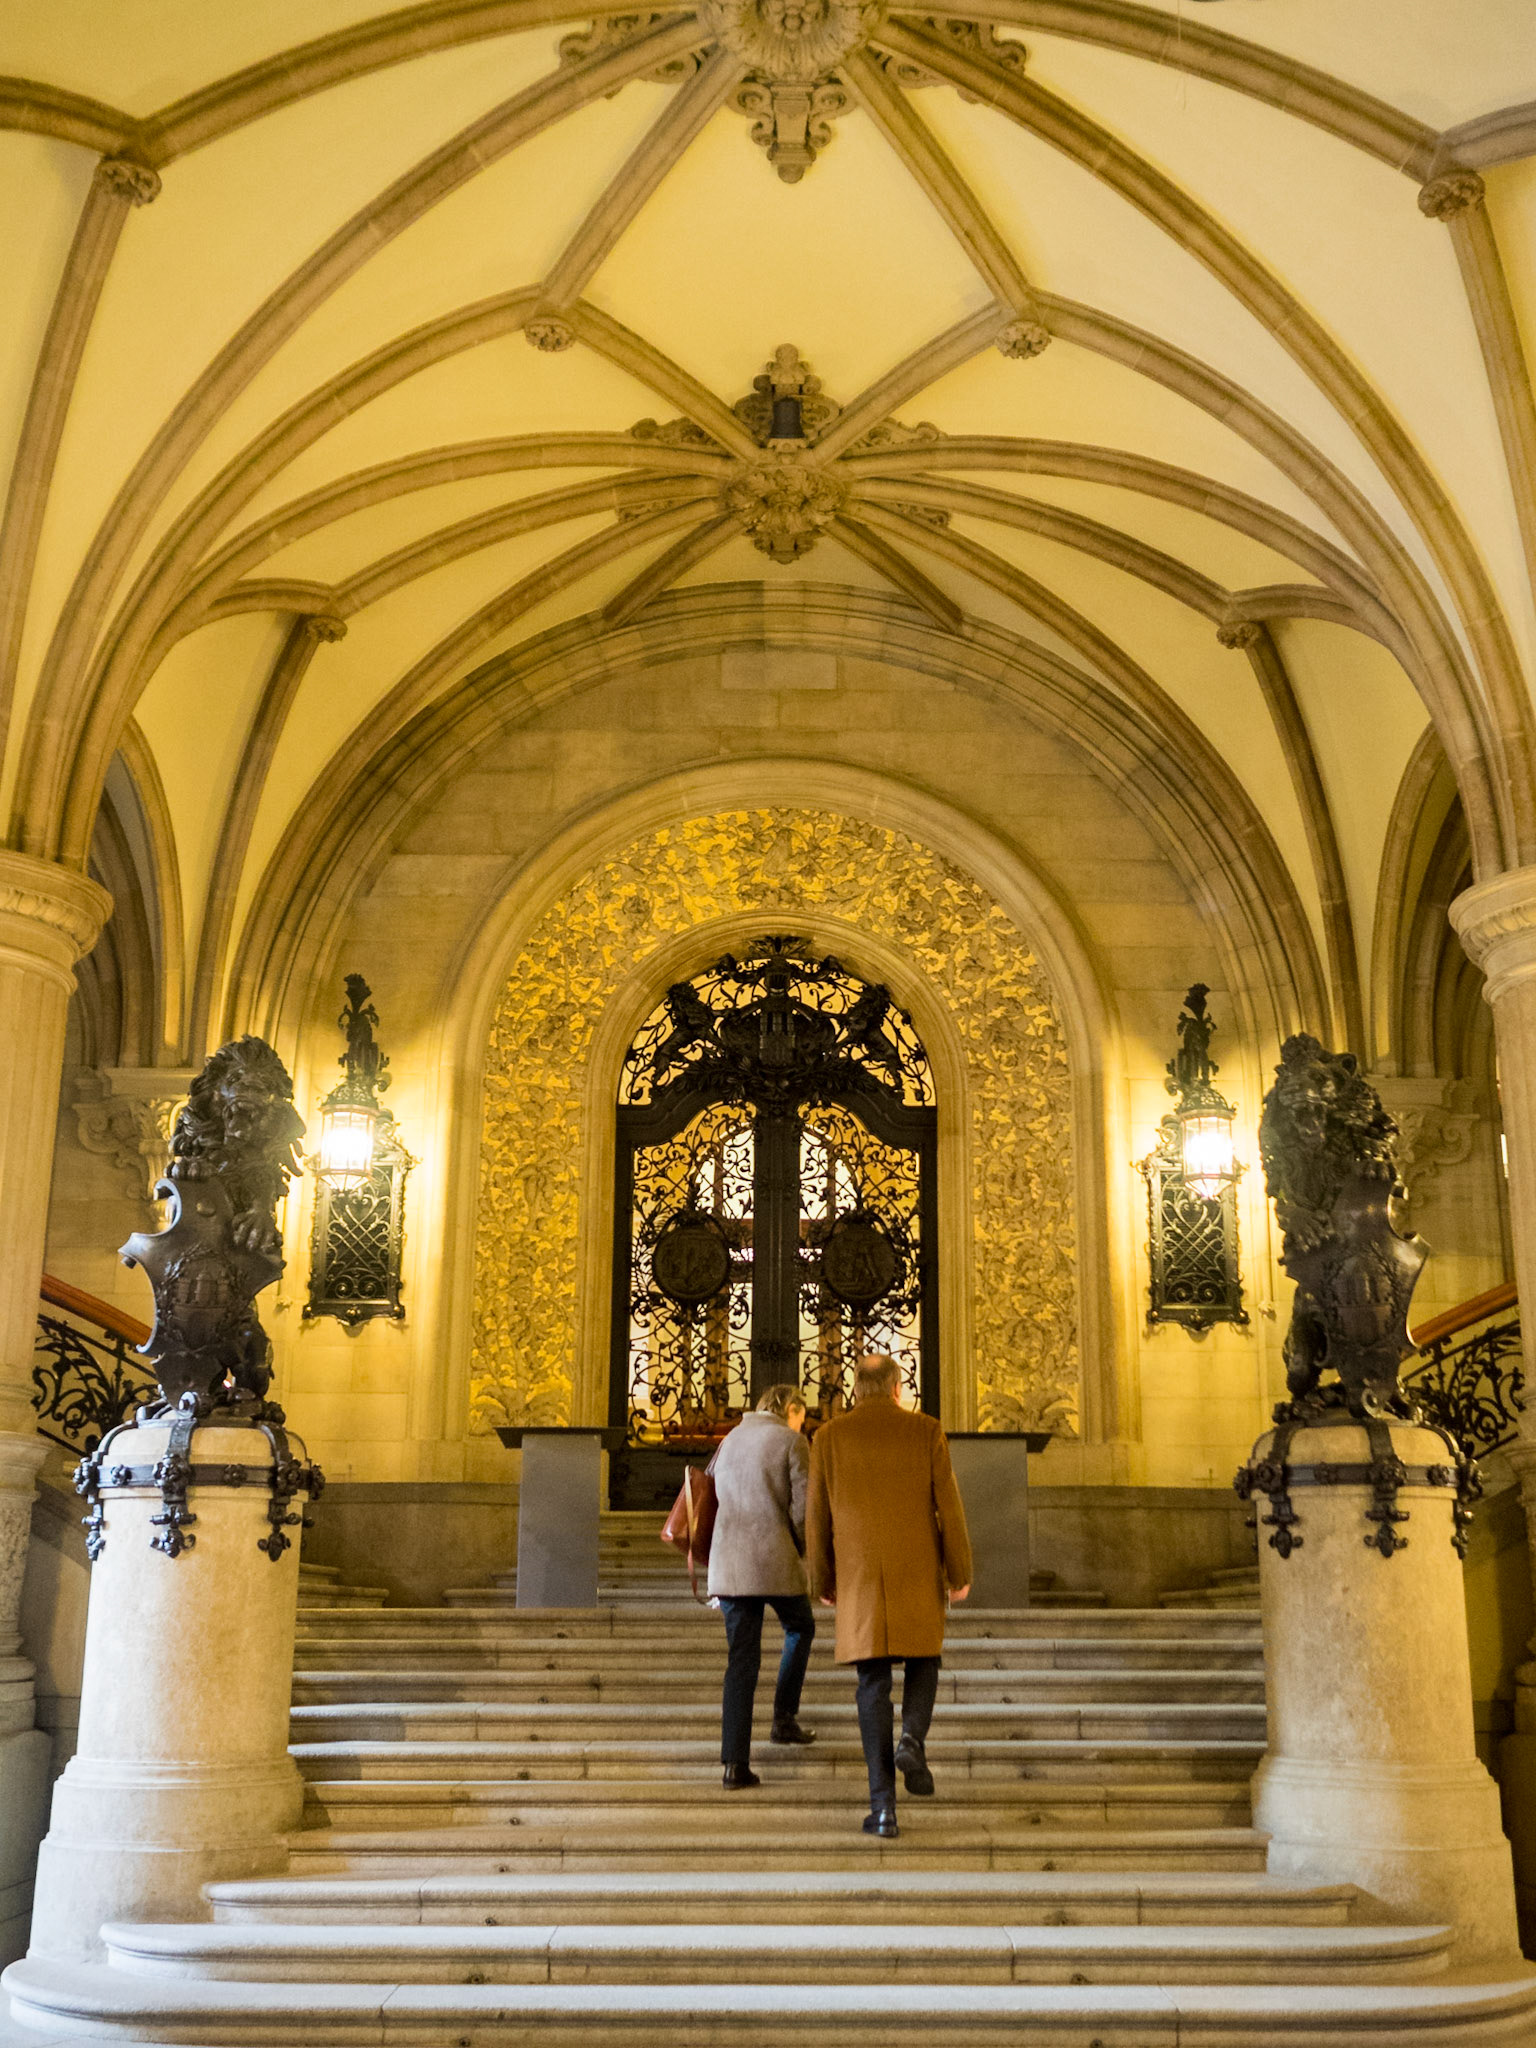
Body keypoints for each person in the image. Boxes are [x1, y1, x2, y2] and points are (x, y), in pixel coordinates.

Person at [806, 1353, 971, 1838]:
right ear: (898, 1388)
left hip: (859, 1574)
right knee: (925, 1658)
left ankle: (882, 1808)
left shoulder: (828, 1437)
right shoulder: (926, 1430)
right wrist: (958, 1570)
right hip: (916, 1567)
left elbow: (817, 1517)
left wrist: (822, 1579)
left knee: (872, 1682)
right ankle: (912, 1739)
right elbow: (949, 1506)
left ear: (856, 1389)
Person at [707, 1382, 818, 1789]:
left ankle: (734, 1764)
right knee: (801, 1627)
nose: (801, 1426)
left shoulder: (729, 1440)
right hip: (773, 1560)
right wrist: (804, 1552)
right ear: (791, 1410)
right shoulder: (791, 1441)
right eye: (801, 1418)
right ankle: (783, 1719)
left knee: (741, 1662)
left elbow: (712, 1497)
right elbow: (802, 1509)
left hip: (730, 1565)